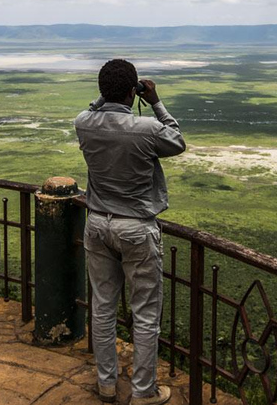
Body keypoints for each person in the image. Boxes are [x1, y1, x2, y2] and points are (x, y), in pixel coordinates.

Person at [74, 59, 186, 405]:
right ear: (131, 91)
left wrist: (105, 98)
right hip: (136, 228)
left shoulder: (84, 124)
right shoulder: (148, 128)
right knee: (146, 313)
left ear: (102, 89)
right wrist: (154, 100)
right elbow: (177, 140)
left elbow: (94, 109)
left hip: (97, 223)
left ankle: (106, 385)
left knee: (103, 308)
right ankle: (143, 392)